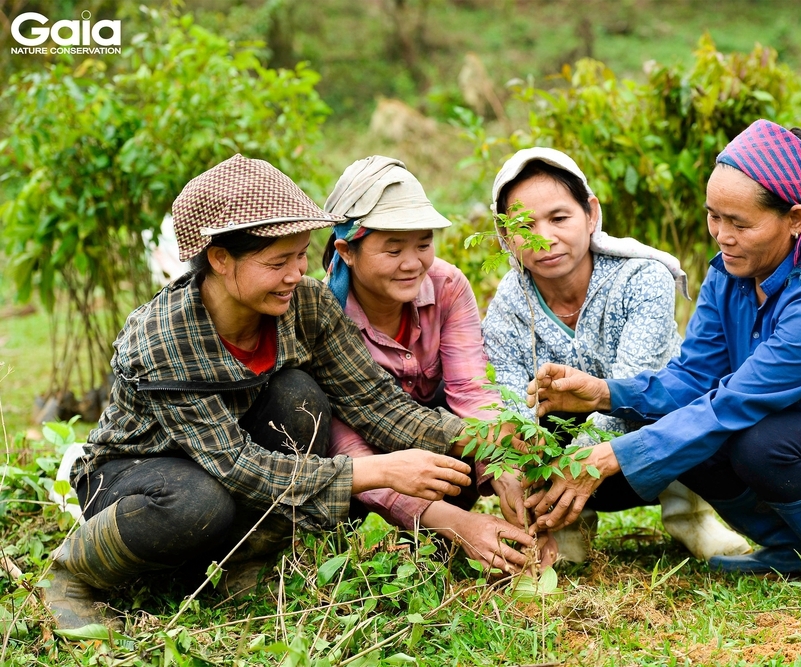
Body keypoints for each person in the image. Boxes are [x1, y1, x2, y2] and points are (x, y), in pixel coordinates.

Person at [43, 154, 473, 630]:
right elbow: (236, 465)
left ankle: (240, 560)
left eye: (301, 255)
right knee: (200, 501)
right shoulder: (164, 338)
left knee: (299, 397)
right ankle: (73, 576)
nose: (296, 273)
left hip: (225, 466)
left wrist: (484, 440)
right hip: (136, 476)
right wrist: (378, 471)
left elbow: (374, 401)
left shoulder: (304, 305)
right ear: (220, 258)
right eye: (277, 262)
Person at [523, 121, 801, 587]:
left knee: (756, 442)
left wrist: (610, 457)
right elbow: (692, 379)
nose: (721, 235)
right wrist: (603, 393)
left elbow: (732, 406)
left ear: (795, 219)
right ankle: (798, 549)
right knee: (686, 431)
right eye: (714, 216)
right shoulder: (730, 275)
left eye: (740, 223)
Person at [482, 147, 752, 562]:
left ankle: (691, 516)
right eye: (524, 225)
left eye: (559, 218)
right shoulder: (508, 306)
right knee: (540, 406)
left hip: (651, 445)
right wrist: (529, 470)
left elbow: (632, 389)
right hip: (566, 466)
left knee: (669, 396)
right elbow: (514, 404)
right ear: (503, 234)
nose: (545, 238)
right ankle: (568, 525)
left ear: (591, 213)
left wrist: (581, 465)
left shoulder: (642, 277)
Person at [321, 156, 534, 573]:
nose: (413, 263)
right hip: (369, 470)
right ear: (346, 251)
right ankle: (419, 529)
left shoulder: (447, 285)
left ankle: (446, 524)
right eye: (393, 249)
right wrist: (455, 522)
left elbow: (471, 389)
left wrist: (503, 466)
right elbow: (347, 442)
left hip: (436, 446)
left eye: (422, 244)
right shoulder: (324, 313)